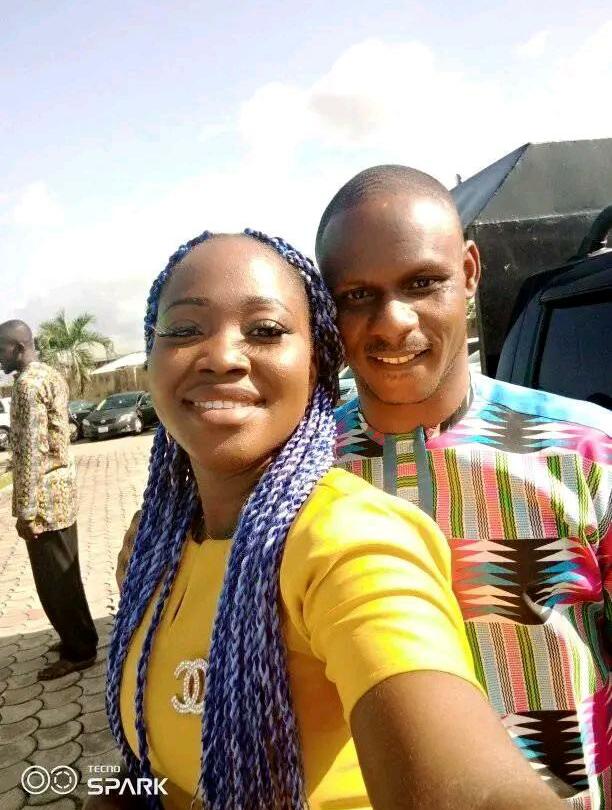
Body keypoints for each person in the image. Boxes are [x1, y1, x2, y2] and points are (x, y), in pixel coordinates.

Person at [100, 228, 565, 810]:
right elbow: (149, 761)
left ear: (317, 365)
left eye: (265, 330)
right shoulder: (156, 547)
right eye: (185, 329)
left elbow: (474, 790)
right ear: (152, 358)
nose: (221, 356)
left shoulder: (347, 540)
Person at [315, 165, 612, 808]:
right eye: (357, 295)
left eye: (423, 283)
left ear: (470, 272)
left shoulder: (590, 453)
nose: (393, 322)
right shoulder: (298, 476)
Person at [0, 320, 98, 679]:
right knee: (66, 574)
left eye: (0, 350)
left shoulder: (27, 386)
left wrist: (26, 512)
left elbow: (31, 450)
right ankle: (80, 635)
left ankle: (79, 651)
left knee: (54, 582)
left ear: (16, 348)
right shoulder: (50, 375)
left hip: (43, 501)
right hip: (62, 492)